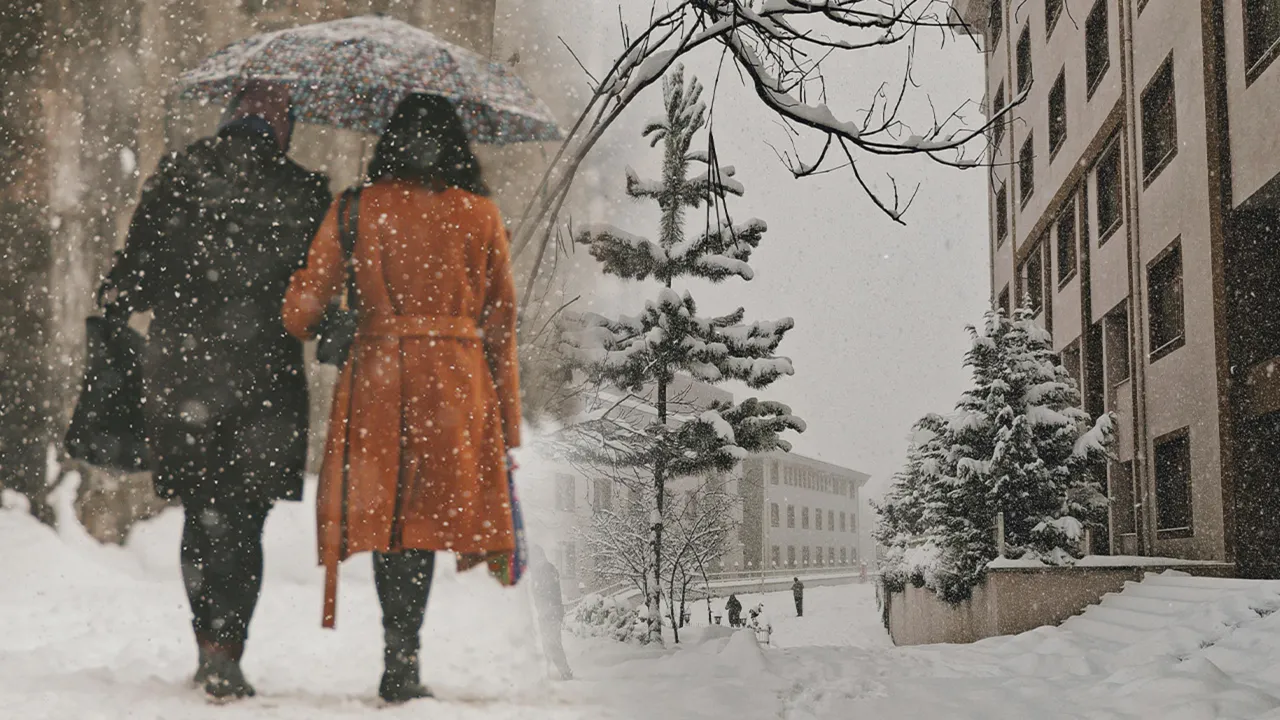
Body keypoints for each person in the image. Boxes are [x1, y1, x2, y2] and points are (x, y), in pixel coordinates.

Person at [282, 93, 521, 705]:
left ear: (389, 143)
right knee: (423, 523)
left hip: (380, 379)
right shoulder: (481, 214)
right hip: (457, 383)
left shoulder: (356, 210)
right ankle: (405, 655)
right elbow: (501, 323)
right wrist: (508, 425)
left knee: (392, 523)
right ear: (456, 146)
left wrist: (330, 316)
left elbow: (300, 309)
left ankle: (399, 654)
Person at [98, 81, 330, 701]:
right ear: (283, 130)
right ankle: (229, 648)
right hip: (266, 383)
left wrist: (129, 294)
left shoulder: (178, 174)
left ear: (229, 119)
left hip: (183, 374)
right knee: (244, 521)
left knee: (202, 515)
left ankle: (208, 647)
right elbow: (318, 296)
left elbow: (133, 283)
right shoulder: (305, 192)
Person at [530, 545, 573, 680]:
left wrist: (545, 608)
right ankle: (546, 673)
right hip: (546, 612)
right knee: (546, 644)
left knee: (552, 643)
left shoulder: (546, 569)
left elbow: (546, 591)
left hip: (551, 612)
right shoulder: (539, 570)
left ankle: (565, 673)